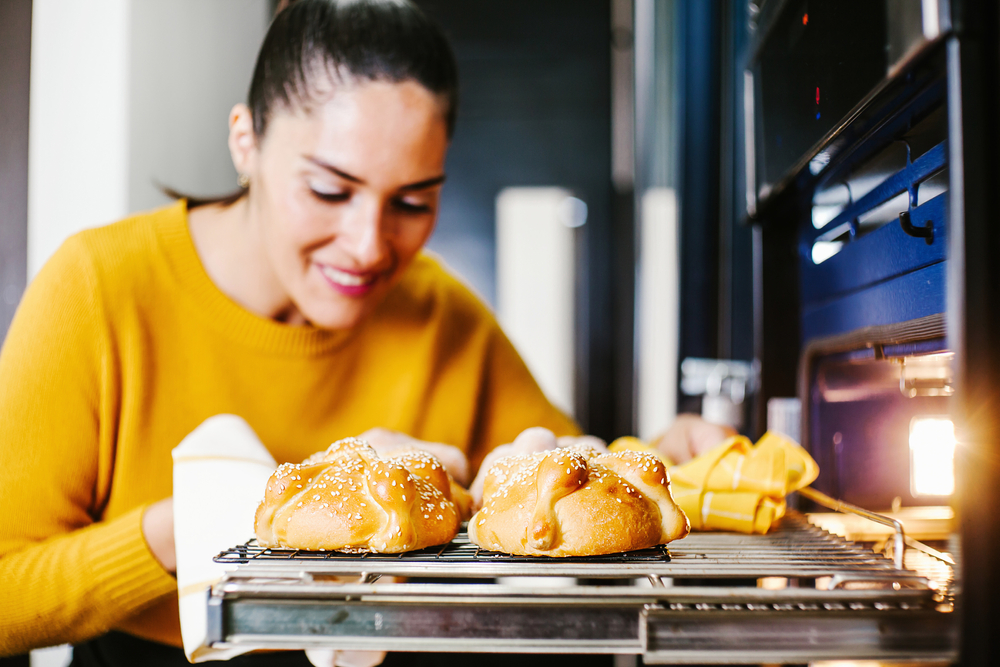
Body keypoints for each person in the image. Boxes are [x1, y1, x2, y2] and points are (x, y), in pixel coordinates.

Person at [0, 0, 732, 663]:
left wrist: (661, 456)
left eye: (412, 202)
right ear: (245, 140)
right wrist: (192, 522)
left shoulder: (444, 314)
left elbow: (563, 482)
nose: (368, 245)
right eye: (328, 189)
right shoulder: (99, 287)